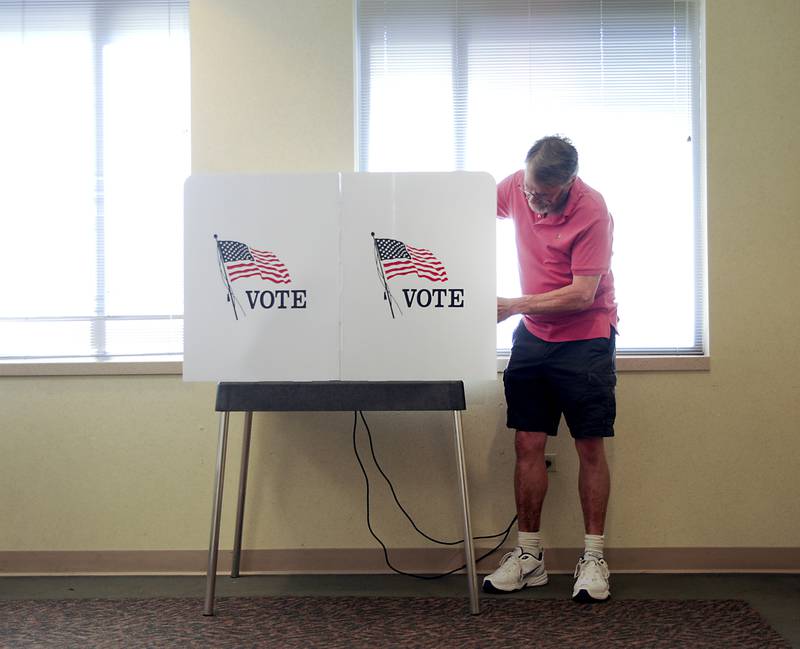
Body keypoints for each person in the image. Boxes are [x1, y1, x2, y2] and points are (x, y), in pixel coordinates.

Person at [485, 135, 618, 603]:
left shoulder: (592, 211)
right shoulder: (518, 187)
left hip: (585, 337)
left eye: (543, 195)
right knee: (527, 442)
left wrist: (513, 305)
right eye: (528, 191)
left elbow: (582, 294)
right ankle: (529, 557)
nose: (532, 201)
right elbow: (466, 209)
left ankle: (594, 557)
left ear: (567, 184)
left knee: (589, 446)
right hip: (534, 339)